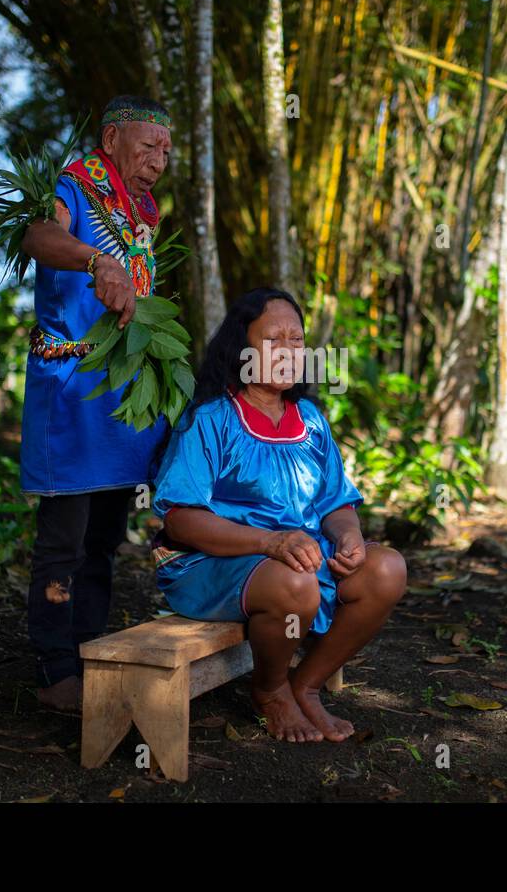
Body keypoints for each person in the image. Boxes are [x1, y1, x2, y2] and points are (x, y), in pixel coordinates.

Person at [150, 289, 408, 743]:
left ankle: (305, 685)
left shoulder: (310, 420)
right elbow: (180, 521)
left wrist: (348, 536)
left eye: (297, 338)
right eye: (274, 339)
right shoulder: (211, 419)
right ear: (243, 349)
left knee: (386, 569)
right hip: (209, 565)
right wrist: (271, 542)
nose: (289, 350)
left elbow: (335, 503)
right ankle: (269, 691)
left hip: (298, 560)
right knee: (295, 582)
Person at [19, 94, 173, 712]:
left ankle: (88, 648)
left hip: (122, 391)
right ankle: (55, 667)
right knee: (65, 537)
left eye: (166, 150)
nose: (159, 161)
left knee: (108, 535)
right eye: (147, 147)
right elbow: (37, 236)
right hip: (70, 389)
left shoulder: (142, 211)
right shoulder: (73, 187)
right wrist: (96, 258)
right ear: (111, 139)